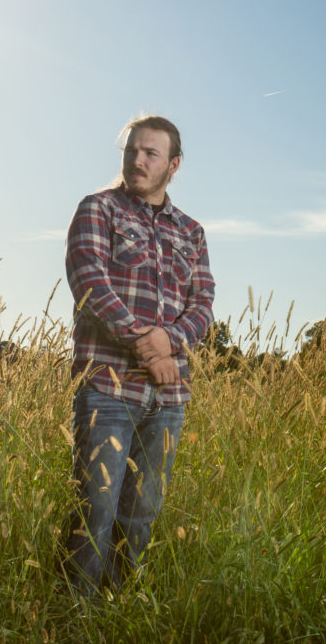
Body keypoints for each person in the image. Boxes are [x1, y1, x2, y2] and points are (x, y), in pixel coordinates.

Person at [63, 114, 215, 595]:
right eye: (131, 150)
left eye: (150, 153)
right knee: (95, 514)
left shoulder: (191, 232)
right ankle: (74, 626)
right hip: (108, 391)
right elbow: (91, 284)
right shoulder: (98, 210)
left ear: (173, 165)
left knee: (141, 517)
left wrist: (169, 343)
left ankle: (120, 619)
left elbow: (203, 305)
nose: (138, 160)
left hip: (169, 399)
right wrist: (147, 347)